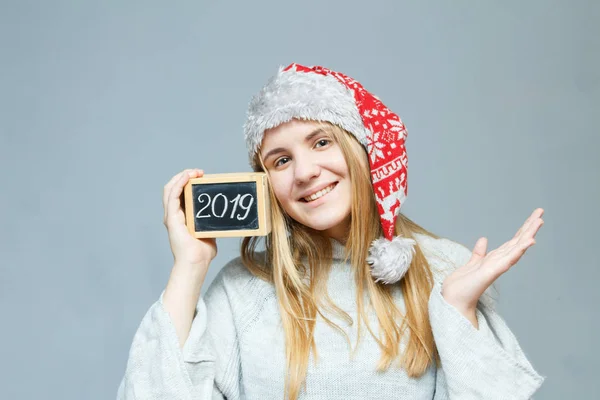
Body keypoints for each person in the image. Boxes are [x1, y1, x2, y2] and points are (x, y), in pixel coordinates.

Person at [117, 63, 545, 399]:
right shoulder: (244, 291)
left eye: (321, 142)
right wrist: (190, 266)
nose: (304, 172)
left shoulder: (447, 273)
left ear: (362, 148)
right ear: (266, 183)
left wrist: (458, 312)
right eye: (280, 160)